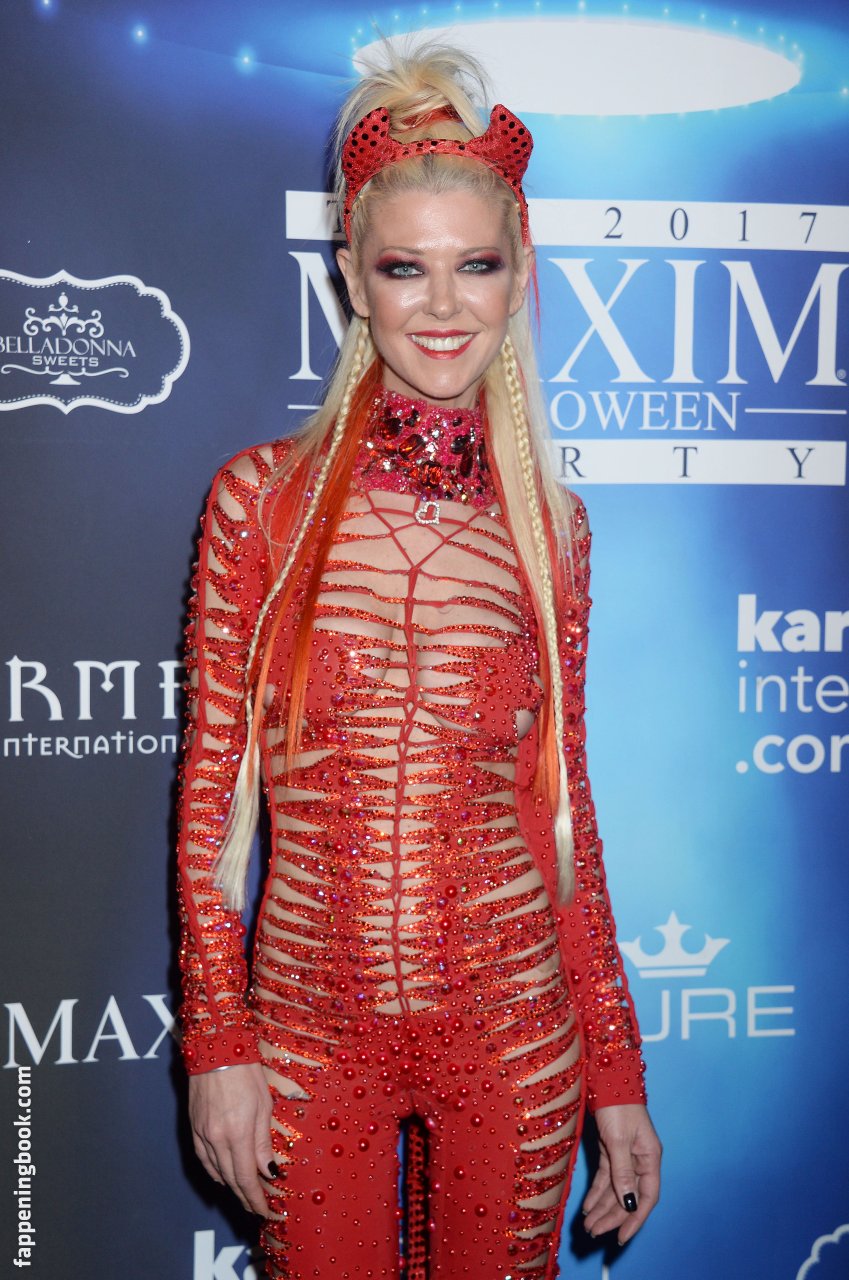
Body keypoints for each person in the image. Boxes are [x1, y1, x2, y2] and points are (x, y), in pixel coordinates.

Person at [176, 41, 661, 1280]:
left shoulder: (553, 529)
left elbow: (564, 813)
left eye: (474, 265)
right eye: (405, 267)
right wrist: (217, 1042)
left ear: (519, 272)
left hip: (515, 1036)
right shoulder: (260, 501)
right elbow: (211, 799)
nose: (442, 306)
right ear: (352, 274)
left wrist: (617, 1072)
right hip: (307, 1034)